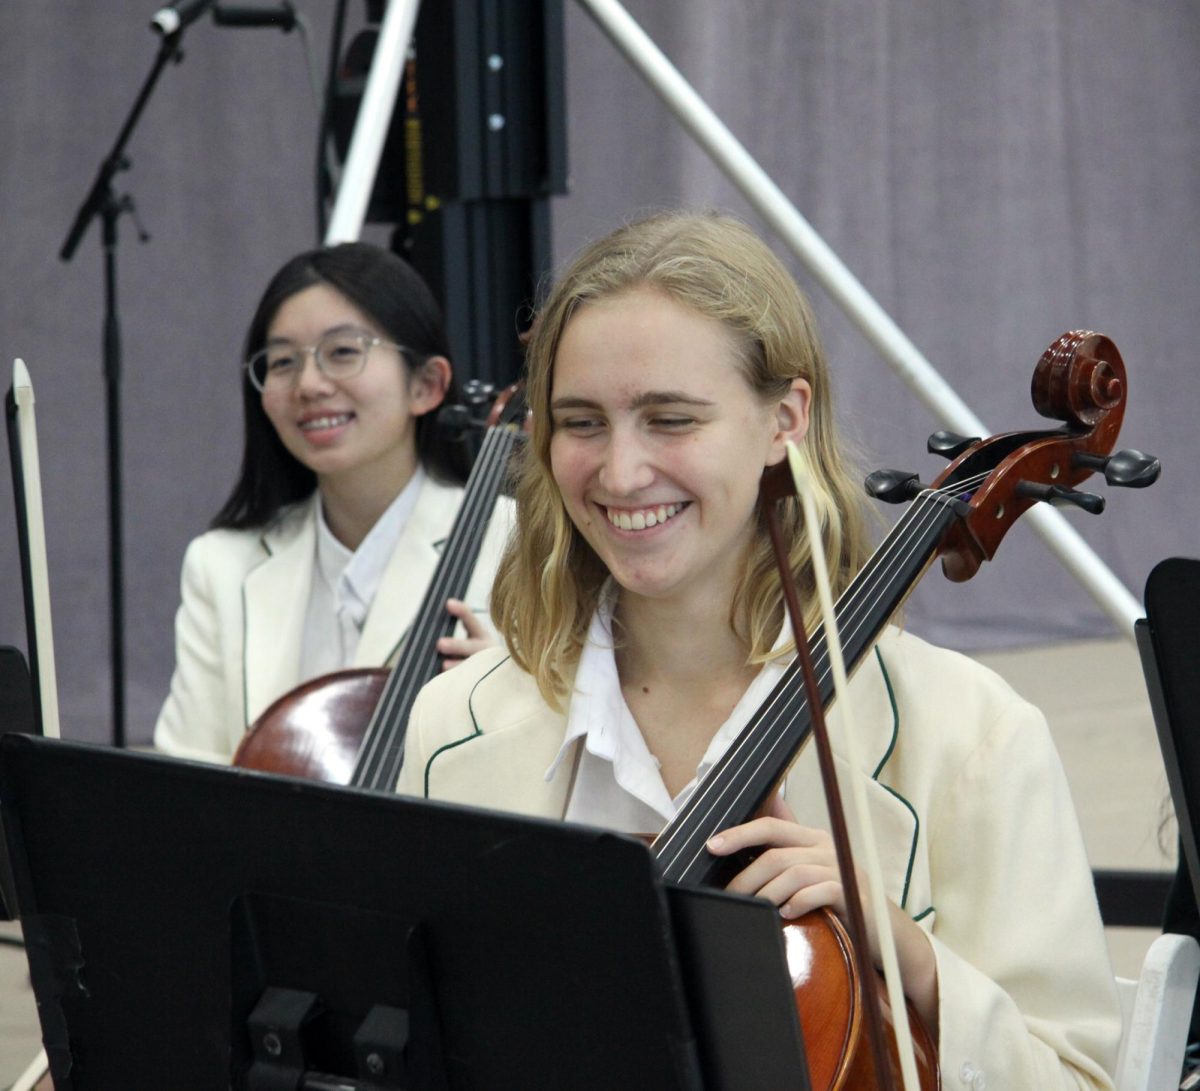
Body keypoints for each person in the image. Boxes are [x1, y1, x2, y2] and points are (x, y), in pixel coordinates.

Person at [397, 211, 1123, 1087]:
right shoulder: (450, 726)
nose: (620, 472)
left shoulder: (972, 735)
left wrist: (908, 956)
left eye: (670, 419)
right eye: (581, 422)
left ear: (785, 417)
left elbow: (1085, 1078)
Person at [154, 241, 509, 764]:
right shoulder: (221, 565)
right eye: (282, 362)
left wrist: (518, 703)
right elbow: (185, 779)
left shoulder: (515, 542)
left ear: (427, 385)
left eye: (343, 352)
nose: (309, 384)